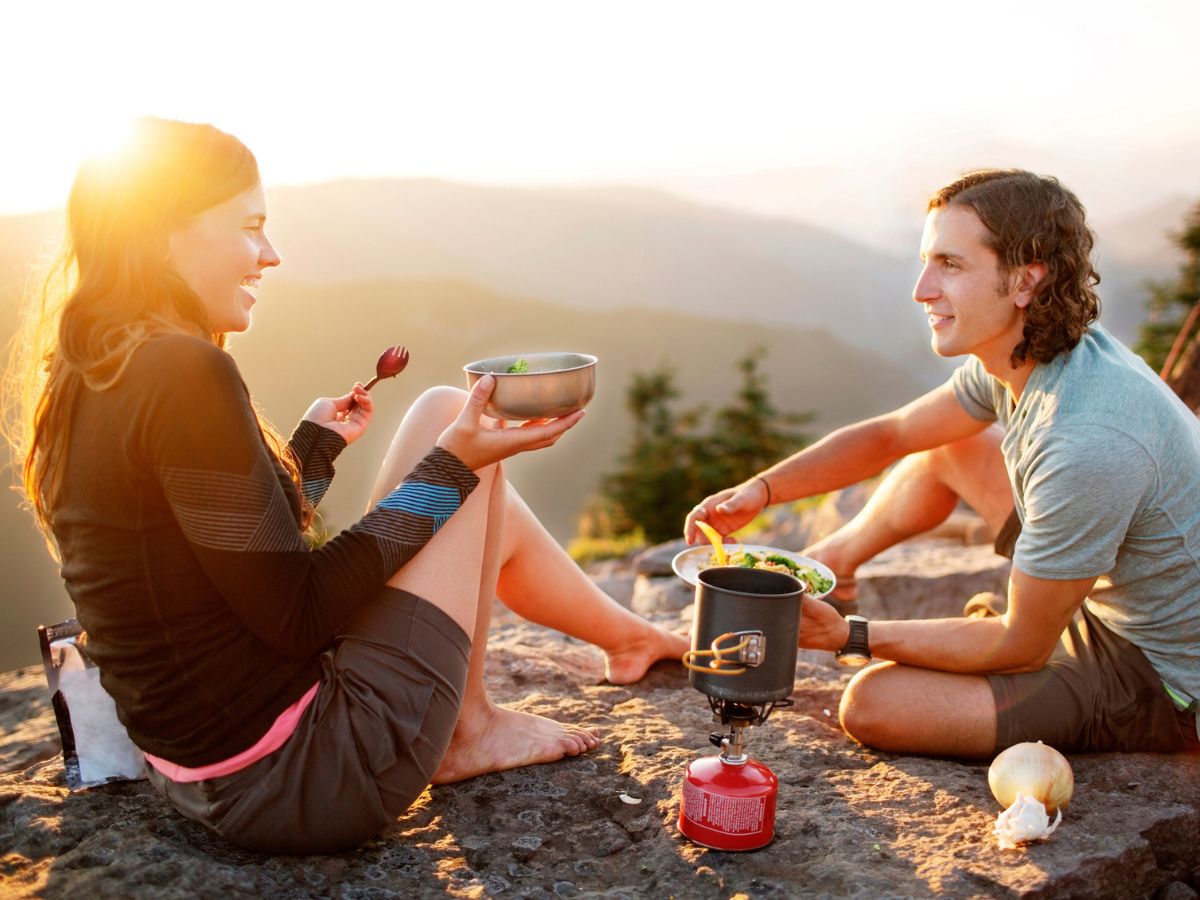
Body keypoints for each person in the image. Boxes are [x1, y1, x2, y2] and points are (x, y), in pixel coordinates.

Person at [4, 117, 687, 854]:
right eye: (250, 227)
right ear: (165, 233)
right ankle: (470, 728)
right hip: (295, 774)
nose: (271, 255)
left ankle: (631, 640)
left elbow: (226, 565)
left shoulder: (91, 372)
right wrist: (455, 466)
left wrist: (309, 455)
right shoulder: (183, 371)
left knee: (443, 421)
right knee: (452, 433)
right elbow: (298, 612)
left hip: (196, 772)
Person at [685, 169, 1199, 759]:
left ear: (1025, 281)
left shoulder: (1088, 440)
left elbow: (1019, 644)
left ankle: (976, 634)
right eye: (928, 260)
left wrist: (847, 635)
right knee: (949, 444)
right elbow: (893, 434)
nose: (922, 288)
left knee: (875, 704)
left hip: (1160, 673)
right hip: (1112, 593)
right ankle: (832, 567)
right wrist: (762, 490)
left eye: (951, 265)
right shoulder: (1032, 349)